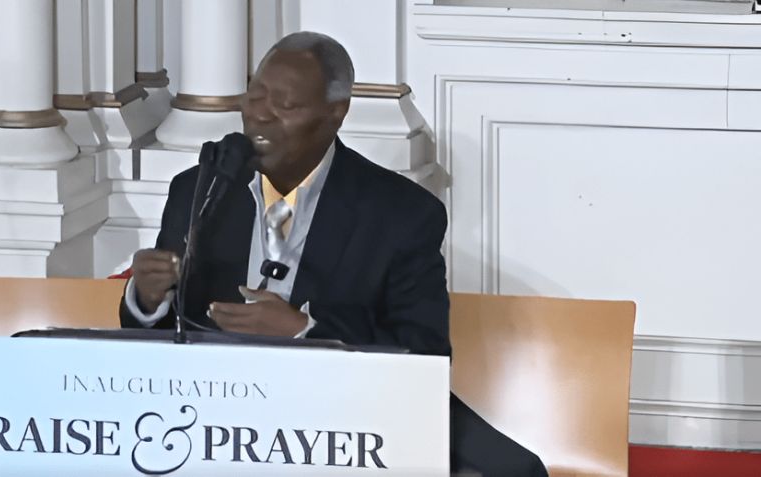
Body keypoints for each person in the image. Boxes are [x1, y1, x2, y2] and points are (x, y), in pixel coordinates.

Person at [119, 31, 548, 476]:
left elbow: (425, 354)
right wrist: (149, 299)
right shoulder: (200, 187)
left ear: (334, 114)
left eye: (285, 106)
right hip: (218, 420)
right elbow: (159, 341)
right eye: (256, 95)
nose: (260, 115)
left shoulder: (401, 213)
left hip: (351, 417)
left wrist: (305, 332)